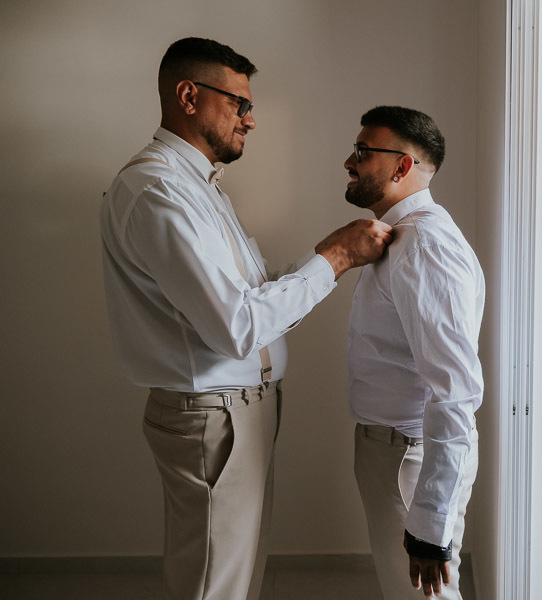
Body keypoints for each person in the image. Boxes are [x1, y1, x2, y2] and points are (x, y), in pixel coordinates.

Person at [99, 37, 392, 600]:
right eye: (239, 103)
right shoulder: (158, 189)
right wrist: (336, 258)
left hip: (235, 415)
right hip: (216, 419)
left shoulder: (198, 187)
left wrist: (328, 255)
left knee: (233, 575)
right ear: (188, 95)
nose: (250, 120)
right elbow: (237, 327)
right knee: (215, 585)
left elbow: (252, 298)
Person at [341, 106, 484, 599]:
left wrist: (430, 523)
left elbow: (456, 390)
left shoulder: (423, 244)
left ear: (402, 166)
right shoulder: (402, 238)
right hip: (394, 450)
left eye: (363, 151)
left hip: (410, 458)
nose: (349, 161)